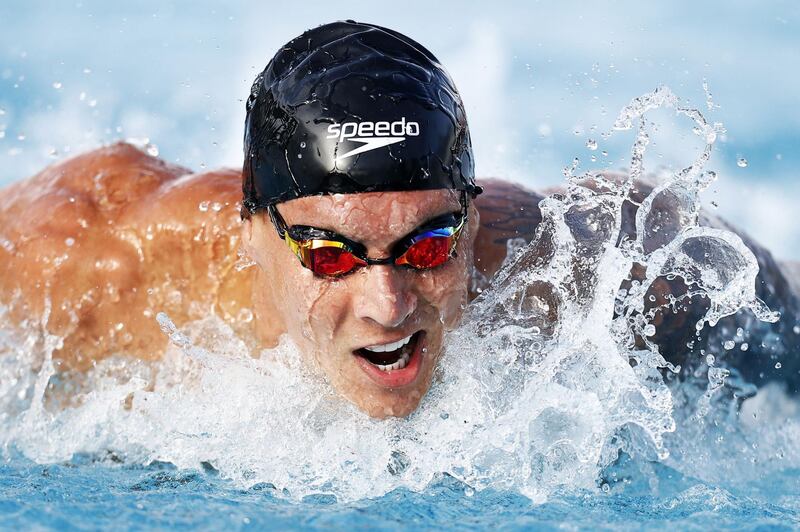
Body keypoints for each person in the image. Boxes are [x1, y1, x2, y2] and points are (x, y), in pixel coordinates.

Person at [0, 21, 796, 419]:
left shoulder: (563, 277)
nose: (388, 305)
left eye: (429, 244)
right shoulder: (99, 264)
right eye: (331, 256)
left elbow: (723, 266)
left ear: (475, 223)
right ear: (254, 231)